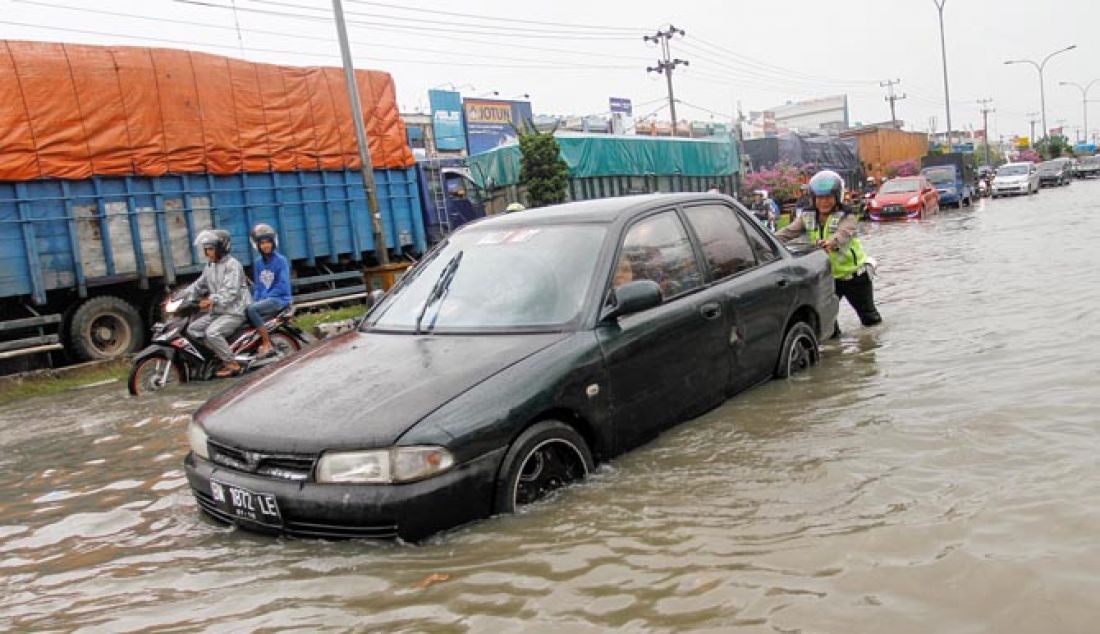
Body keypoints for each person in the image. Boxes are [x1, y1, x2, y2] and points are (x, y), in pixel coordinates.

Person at [775, 170, 882, 331]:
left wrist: (830, 243)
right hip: (828, 278)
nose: (823, 202)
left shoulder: (848, 216)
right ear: (813, 198)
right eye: (819, 198)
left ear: (837, 197)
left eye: (828, 197)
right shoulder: (806, 216)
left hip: (856, 277)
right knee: (827, 325)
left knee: (869, 320)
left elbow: (843, 234)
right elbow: (787, 233)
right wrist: (765, 241)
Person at [185, 229, 252, 376]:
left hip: (235, 311)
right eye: (206, 249)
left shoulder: (233, 265)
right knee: (193, 329)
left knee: (212, 333)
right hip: (218, 311)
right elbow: (198, 285)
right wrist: (181, 296)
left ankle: (232, 363)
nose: (207, 253)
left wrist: (210, 301)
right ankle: (219, 354)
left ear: (221, 248)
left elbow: (230, 292)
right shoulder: (210, 266)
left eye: (210, 249)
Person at [246, 223, 292, 357]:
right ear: (257, 245)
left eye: (268, 242)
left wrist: (264, 298)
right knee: (247, 309)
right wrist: (256, 299)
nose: (266, 245)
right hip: (267, 299)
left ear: (273, 243)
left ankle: (267, 342)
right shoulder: (258, 262)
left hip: (279, 299)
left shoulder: (281, 261)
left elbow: (283, 285)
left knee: (252, 310)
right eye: (262, 243)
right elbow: (258, 286)